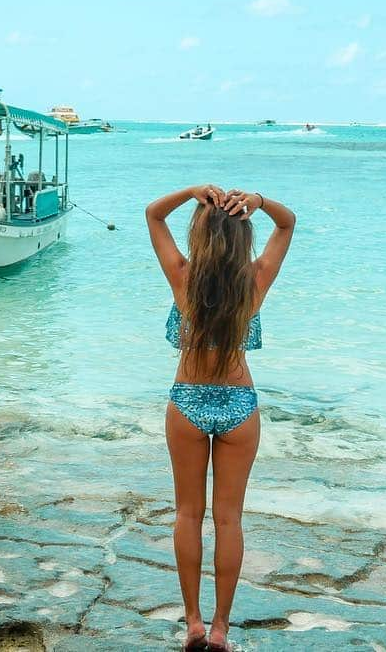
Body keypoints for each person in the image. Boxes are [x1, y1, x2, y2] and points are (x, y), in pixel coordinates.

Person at [146, 183, 296, 651]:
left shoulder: (183, 277)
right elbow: (288, 223)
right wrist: (260, 201)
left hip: (187, 401)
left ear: (200, 234)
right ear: (243, 239)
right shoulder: (254, 282)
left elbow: (153, 215)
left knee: (188, 515)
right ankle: (220, 629)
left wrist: (192, 192)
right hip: (239, 405)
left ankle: (191, 621)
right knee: (228, 520)